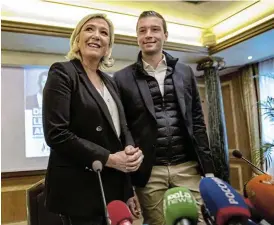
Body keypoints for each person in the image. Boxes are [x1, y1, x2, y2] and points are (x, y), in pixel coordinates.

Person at [113, 11, 217, 225]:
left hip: (188, 168)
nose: (148, 35)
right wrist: (127, 183)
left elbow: (197, 122)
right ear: (137, 37)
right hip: (150, 173)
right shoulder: (121, 78)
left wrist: (209, 171)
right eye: (142, 30)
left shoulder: (185, 72)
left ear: (165, 35)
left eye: (154, 29)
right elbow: (124, 129)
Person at [42, 13, 143, 225]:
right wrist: (111, 159)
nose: (96, 35)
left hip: (113, 188)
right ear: (77, 39)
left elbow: (121, 133)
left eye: (104, 33)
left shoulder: (111, 82)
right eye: (89, 29)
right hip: (79, 190)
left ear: (108, 47)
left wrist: (128, 184)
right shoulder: (63, 72)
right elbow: (56, 134)